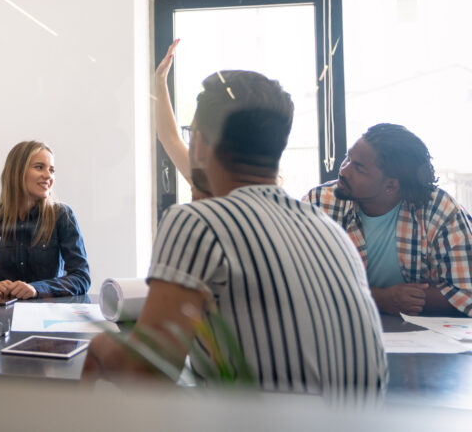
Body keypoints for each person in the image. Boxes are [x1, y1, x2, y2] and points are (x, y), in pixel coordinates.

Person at [83, 70, 386, 403]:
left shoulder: (195, 222)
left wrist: (101, 346)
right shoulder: (329, 230)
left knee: (103, 354)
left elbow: (148, 373)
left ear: (198, 143)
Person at [305, 124, 472, 317]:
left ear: (391, 186)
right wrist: (380, 298)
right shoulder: (318, 205)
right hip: (344, 327)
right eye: (348, 158)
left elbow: (466, 292)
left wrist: (404, 301)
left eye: (358, 168)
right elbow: (302, 282)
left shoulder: (440, 211)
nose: (343, 170)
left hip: (425, 337)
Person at [0, 141, 90, 299]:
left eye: (51, 170)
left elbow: (81, 278)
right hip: (1, 313)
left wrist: (37, 289)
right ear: (17, 172)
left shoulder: (62, 215)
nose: (48, 176)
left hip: (46, 315)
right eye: (39, 167)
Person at [154, 39, 211, 200]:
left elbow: (170, 139)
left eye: (195, 134)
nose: (195, 145)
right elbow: (169, 138)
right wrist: (160, 81)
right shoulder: (208, 181)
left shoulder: (211, 185)